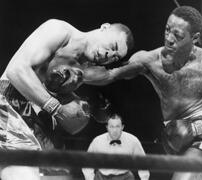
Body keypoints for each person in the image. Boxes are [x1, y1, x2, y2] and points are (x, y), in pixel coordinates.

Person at [82, 6, 202, 180]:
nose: (169, 39)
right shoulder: (150, 61)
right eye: (167, 30)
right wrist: (77, 72)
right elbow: (109, 75)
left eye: (177, 35)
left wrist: (194, 129)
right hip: (172, 136)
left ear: (195, 38)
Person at [0, 19, 134, 180]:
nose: (109, 55)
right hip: (9, 104)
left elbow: (123, 72)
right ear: (104, 27)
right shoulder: (60, 31)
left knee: (60, 175)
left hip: (39, 123)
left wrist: (85, 109)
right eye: (113, 47)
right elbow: (16, 70)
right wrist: (56, 108)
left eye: (115, 57)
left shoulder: (85, 70)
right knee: (22, 175)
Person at [82, 114, 150, 180]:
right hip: (101, 177)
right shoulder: (97, 141)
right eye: (111, 127)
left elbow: (142, 163)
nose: (115, 130)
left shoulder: (133, 141)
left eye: (117, 126)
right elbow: (87, 165)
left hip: (125, 177)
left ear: (122, 127)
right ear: (107, 127)